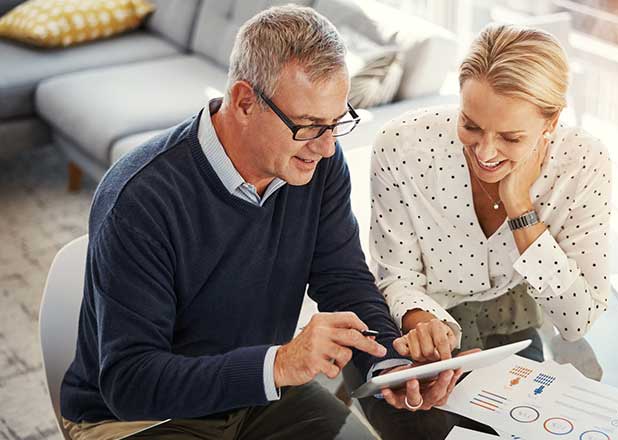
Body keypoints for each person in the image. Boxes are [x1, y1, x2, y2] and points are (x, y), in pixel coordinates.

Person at [59, 6, 459, 440]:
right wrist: (281, 364)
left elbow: (342, 278)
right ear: (244, 101)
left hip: (259, 393)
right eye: (307, 126)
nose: (326, 148)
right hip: (143, 417)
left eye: (336, 122)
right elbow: (130, 383)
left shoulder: (315, 165)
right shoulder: (140, 199)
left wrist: (388, 365)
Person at [361, 23, 613, 439]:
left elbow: (575, 321)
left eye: (512, 137)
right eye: (471, 125)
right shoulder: (402, 146)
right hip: (420, 328)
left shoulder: (583, 164)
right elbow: (396, 275)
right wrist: (425, 327)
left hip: (510, 327)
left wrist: (519, 206)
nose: (485, 152)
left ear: (551, 122)